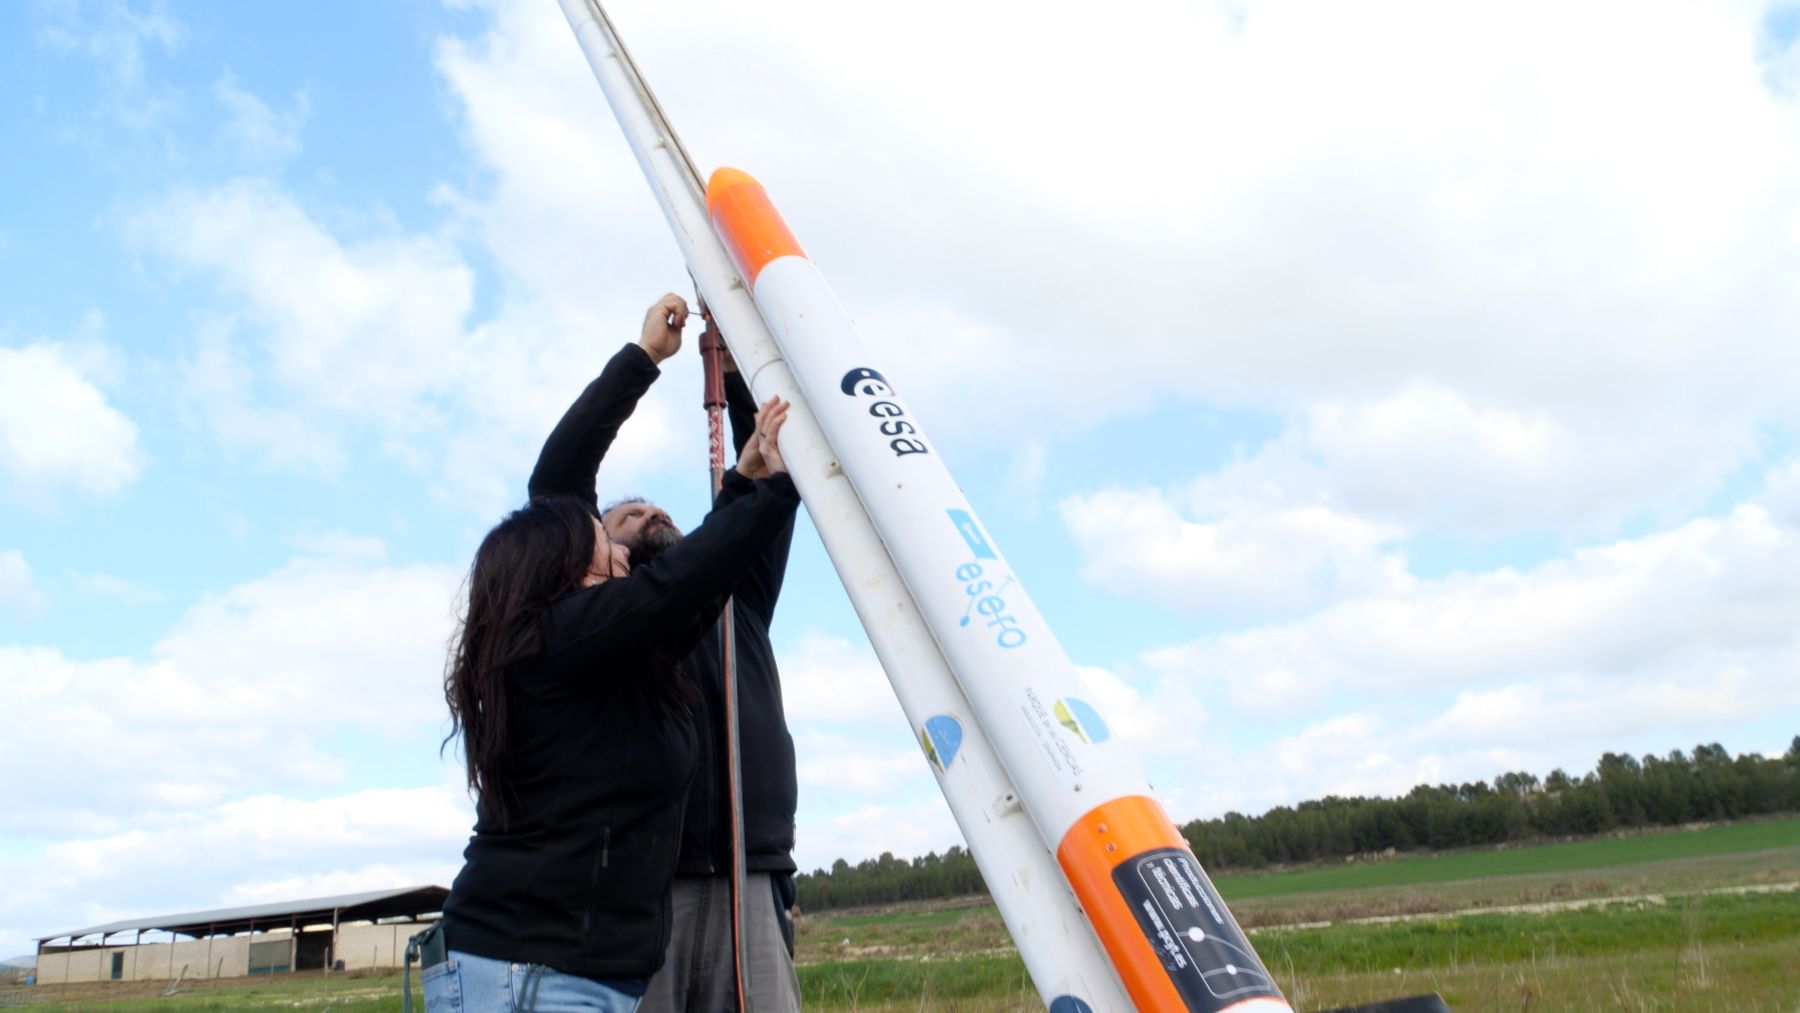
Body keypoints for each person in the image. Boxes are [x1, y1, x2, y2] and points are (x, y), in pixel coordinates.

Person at [432, 293, 798, 1012]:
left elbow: (749, 488)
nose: (652, 514)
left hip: (734, 874)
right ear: (581, 557)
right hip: (614, 911)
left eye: (657, 508)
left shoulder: (720, 600)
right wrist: (640, 362)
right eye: (625, 516)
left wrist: (733, 364)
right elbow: (559, 491)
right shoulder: (579, 631)